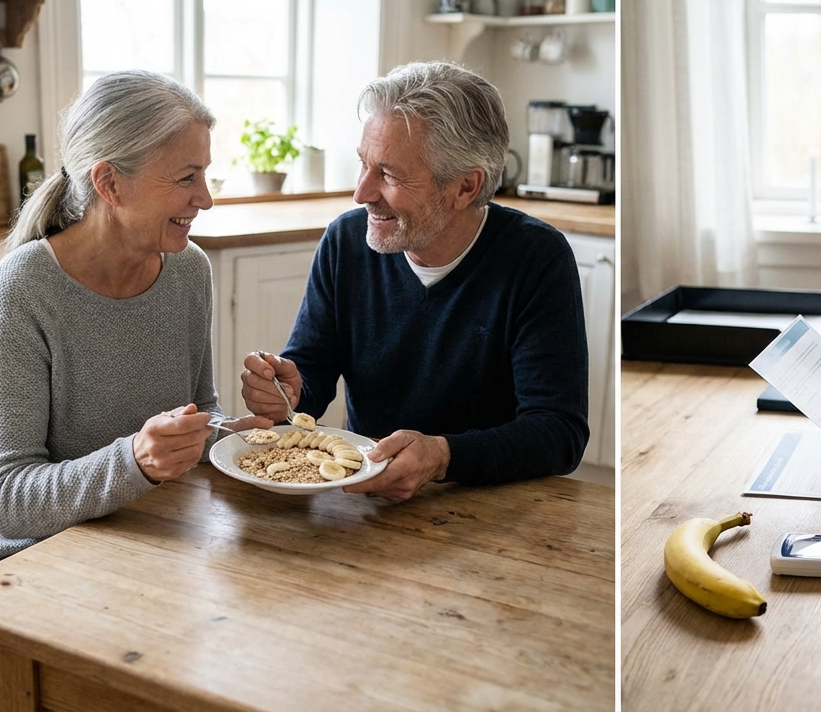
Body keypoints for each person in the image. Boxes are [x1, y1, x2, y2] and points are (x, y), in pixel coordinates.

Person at [0, 70, 271, 667]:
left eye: (205, 173)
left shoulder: (188, 270)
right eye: (186, 178)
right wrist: (136, 461)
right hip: (8, 561)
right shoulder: (21, 291)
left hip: (130, 532)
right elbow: (7, 500)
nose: (205, 198)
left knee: (244, 644)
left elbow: (200, 411)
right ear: (109, 183)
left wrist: (237, 435)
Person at [241, 61, 588, 500]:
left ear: (465, 187)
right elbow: (312, 374)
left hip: (492, 503)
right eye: (363, 164)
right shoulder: (345, 241)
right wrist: (288, 392)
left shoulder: (537, 258)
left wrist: (444, 457)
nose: (362, 193)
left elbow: (559, 432)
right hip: (365, 499)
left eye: (388, 174)